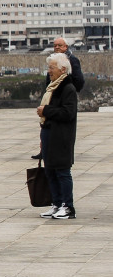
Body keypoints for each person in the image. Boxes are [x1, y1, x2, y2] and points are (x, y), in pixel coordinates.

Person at [37, 53, 78, 219]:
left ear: (62, 69)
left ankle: (68, 206)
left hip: (61, 137)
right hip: (49, 133)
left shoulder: (68, 88)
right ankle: (56, 203)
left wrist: (46, 111)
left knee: (62, 171)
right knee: (50, 171)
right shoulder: (52, 87)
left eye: (52, 68)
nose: (49, 71)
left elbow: (68, 113)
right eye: (48, 68)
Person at [32, 37, 84, 159]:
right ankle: (44, 149)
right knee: (46, 121)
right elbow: (48, 79)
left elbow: (79, 80)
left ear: (66, 47)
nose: (57, 47)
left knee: (59, 122)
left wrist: (67, 88)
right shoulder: (53, 60)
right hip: (51, 94)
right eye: (55, 45)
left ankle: (57, 150)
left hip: (63, 95)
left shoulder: (72, 60)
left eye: (60, 45)